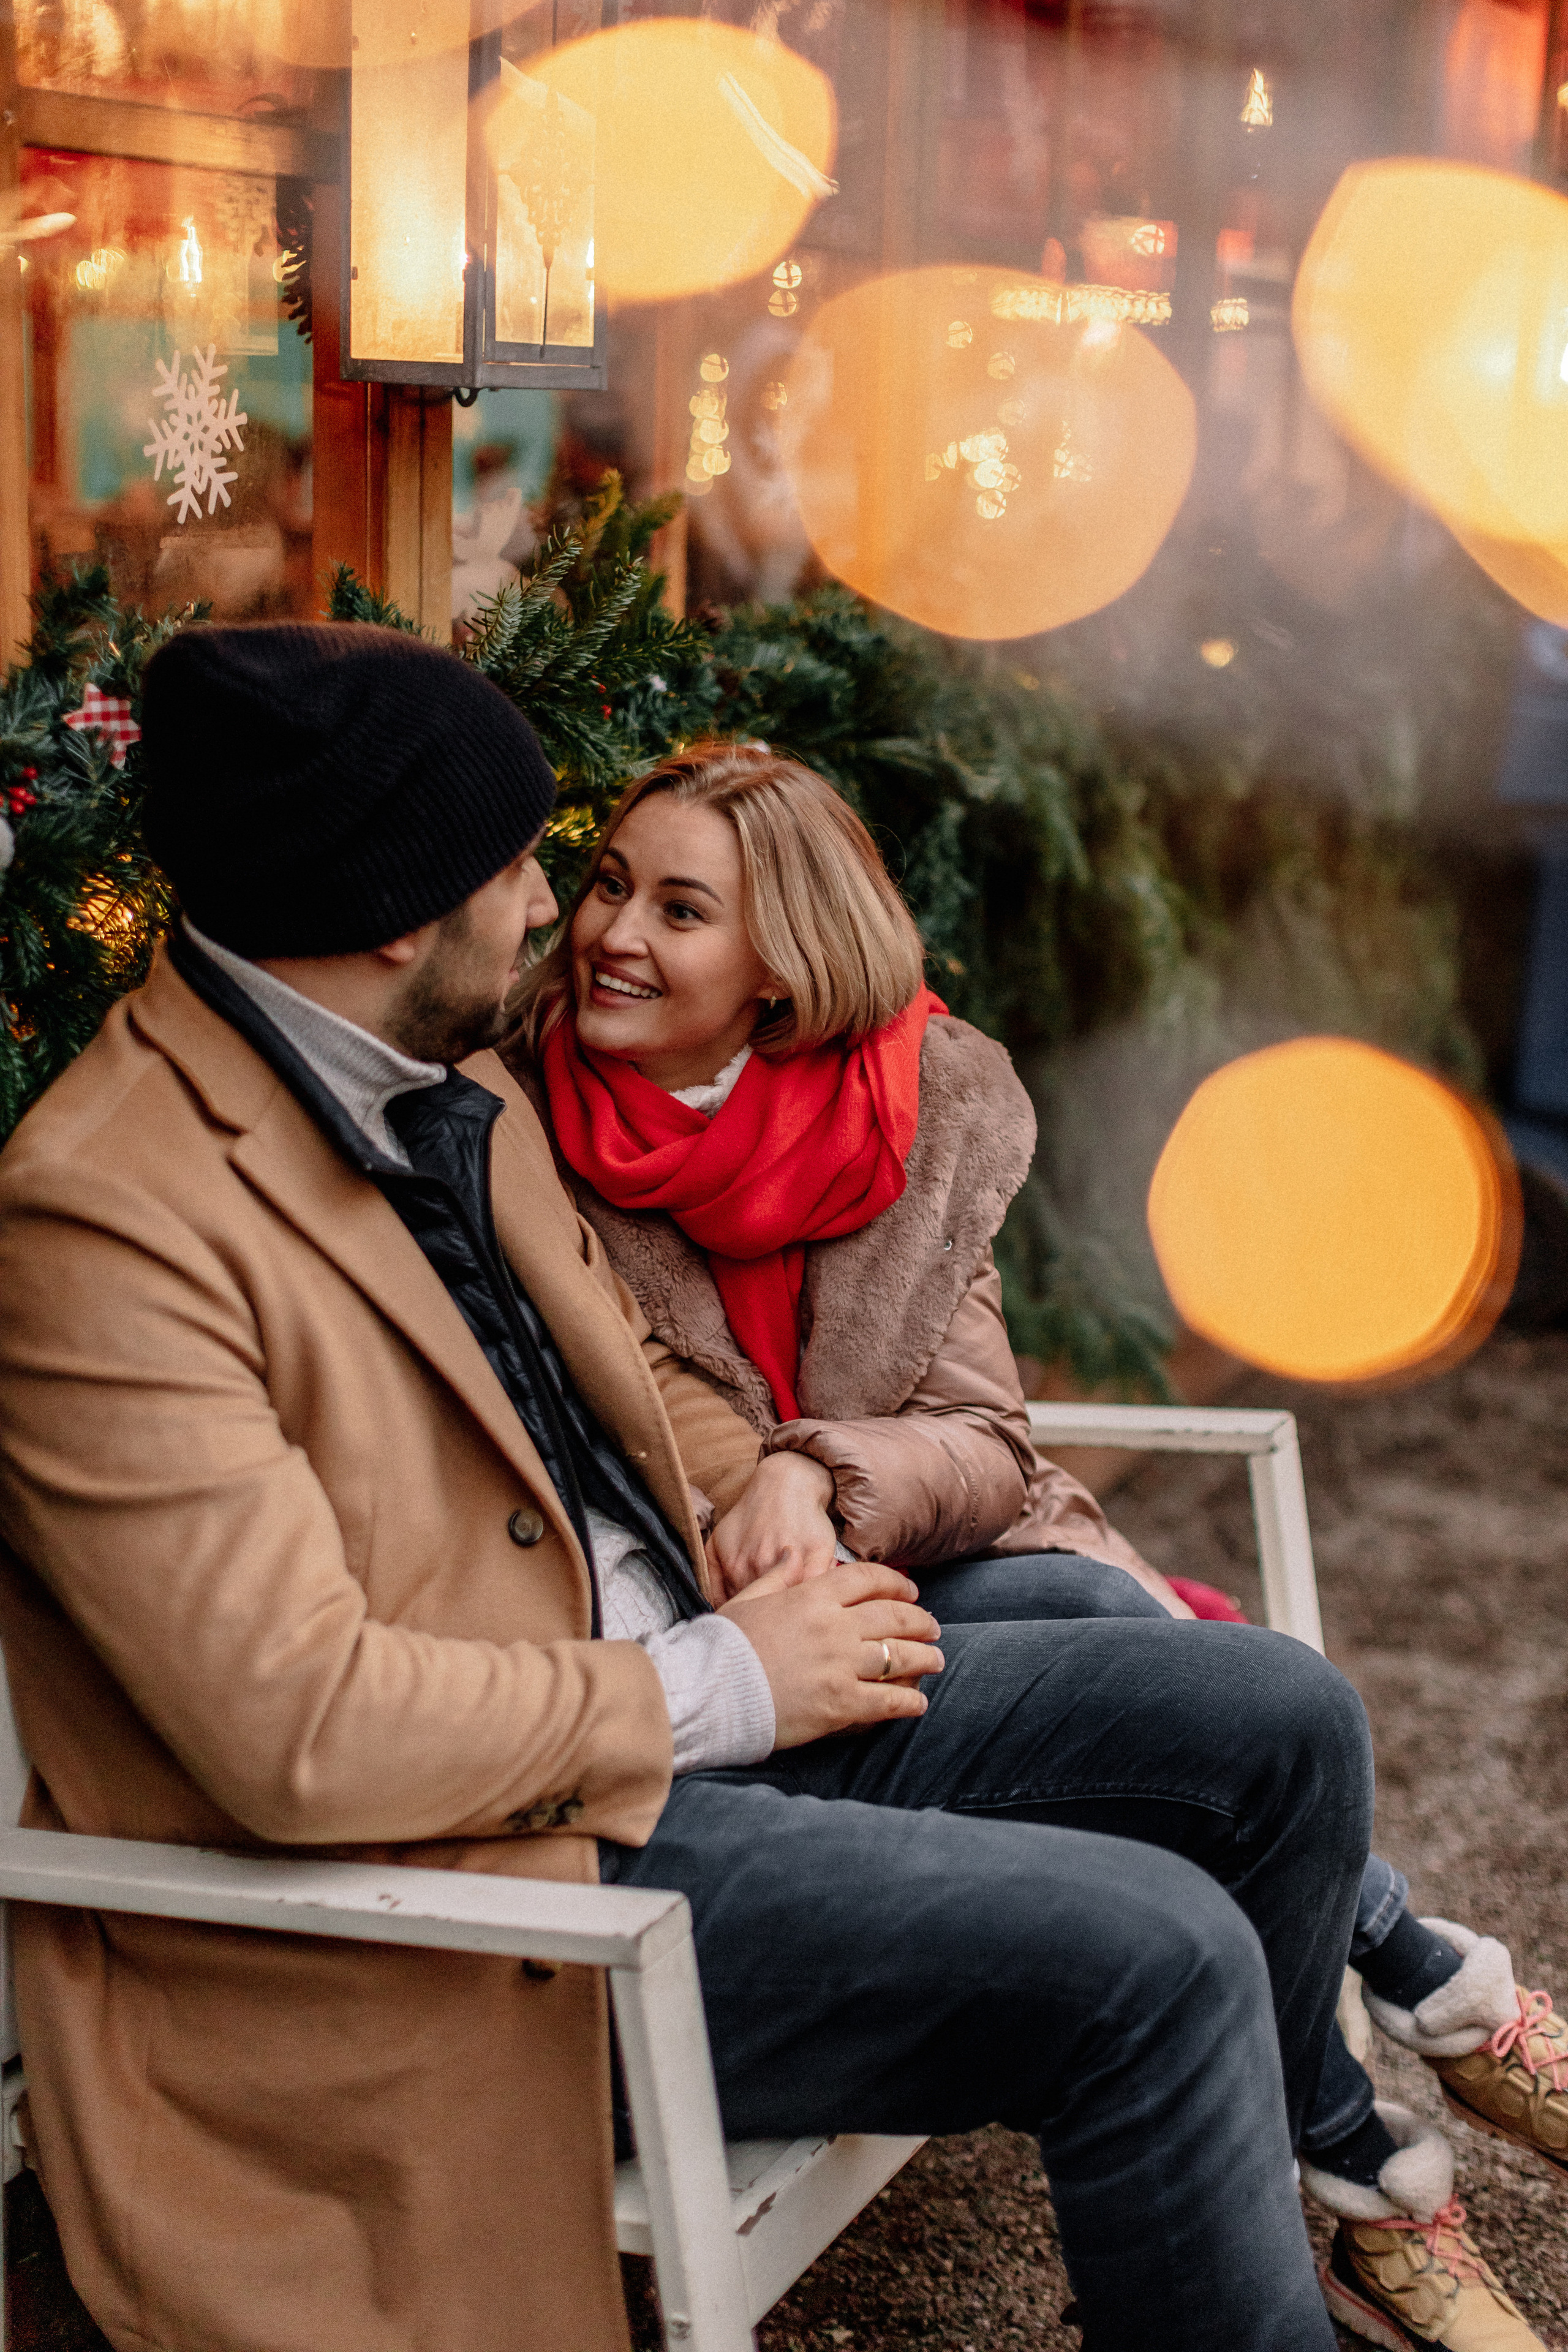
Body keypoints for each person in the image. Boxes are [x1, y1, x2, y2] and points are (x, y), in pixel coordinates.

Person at [0, 628, 1369, 2352]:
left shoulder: (438, 1079)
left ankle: (1342, 2191)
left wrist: (779, 1494)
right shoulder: (109, 1220)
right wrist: (725, 1684)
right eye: (521, 865)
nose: (556, 910)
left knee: (1275, 1719)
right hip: (488, 1879)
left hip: (681, 1703)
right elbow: (297, 1730)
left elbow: (636, 1391)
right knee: (1154, 1957)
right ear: (398, 916)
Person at [517, 738, 1567, 2352]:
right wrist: (771, 1495)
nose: (612, 935)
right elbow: (664, 1435)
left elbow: (987, 1441)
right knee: (1147, 1670)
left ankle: (1363, 2112)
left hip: (935, 1552)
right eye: (606, 885)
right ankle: (1384, 2066)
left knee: (1113, 1611)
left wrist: (816, 1474)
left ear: (783, 967)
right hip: (751, 1617)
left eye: (679, 907)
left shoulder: (920, 1106)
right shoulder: (526, 1130)